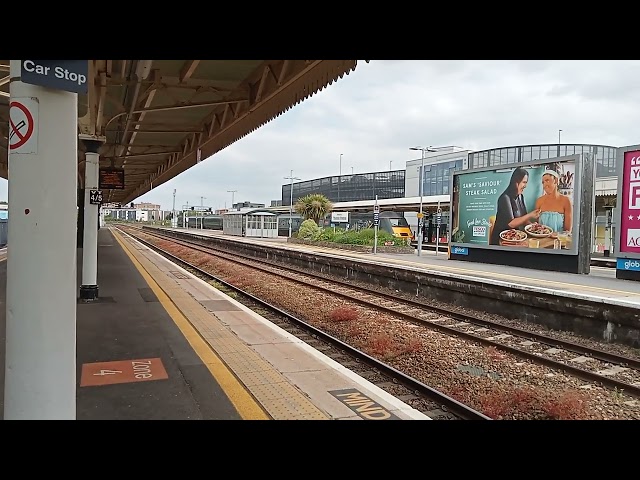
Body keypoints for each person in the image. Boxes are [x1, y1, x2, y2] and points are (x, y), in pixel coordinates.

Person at [489, 167, 540, 245]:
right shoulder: (504, 198)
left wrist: (532, 226)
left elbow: (524, 219)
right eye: (524, 182)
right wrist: (530, 215)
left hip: (515, 238)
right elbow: (511, 224)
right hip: (501, 241)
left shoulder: (521, 196)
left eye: (526, 182)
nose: (525, 186)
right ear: (516, 183)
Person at [534, 168, 572, 233]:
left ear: (556, 181)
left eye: (547, 180)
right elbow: (537, 228)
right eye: (543, 182)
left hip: (558, 241)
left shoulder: (566, 201)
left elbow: (567, 231)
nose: (545, 185)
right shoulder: (539, 201)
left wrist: (555, 235)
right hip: (542, 241)